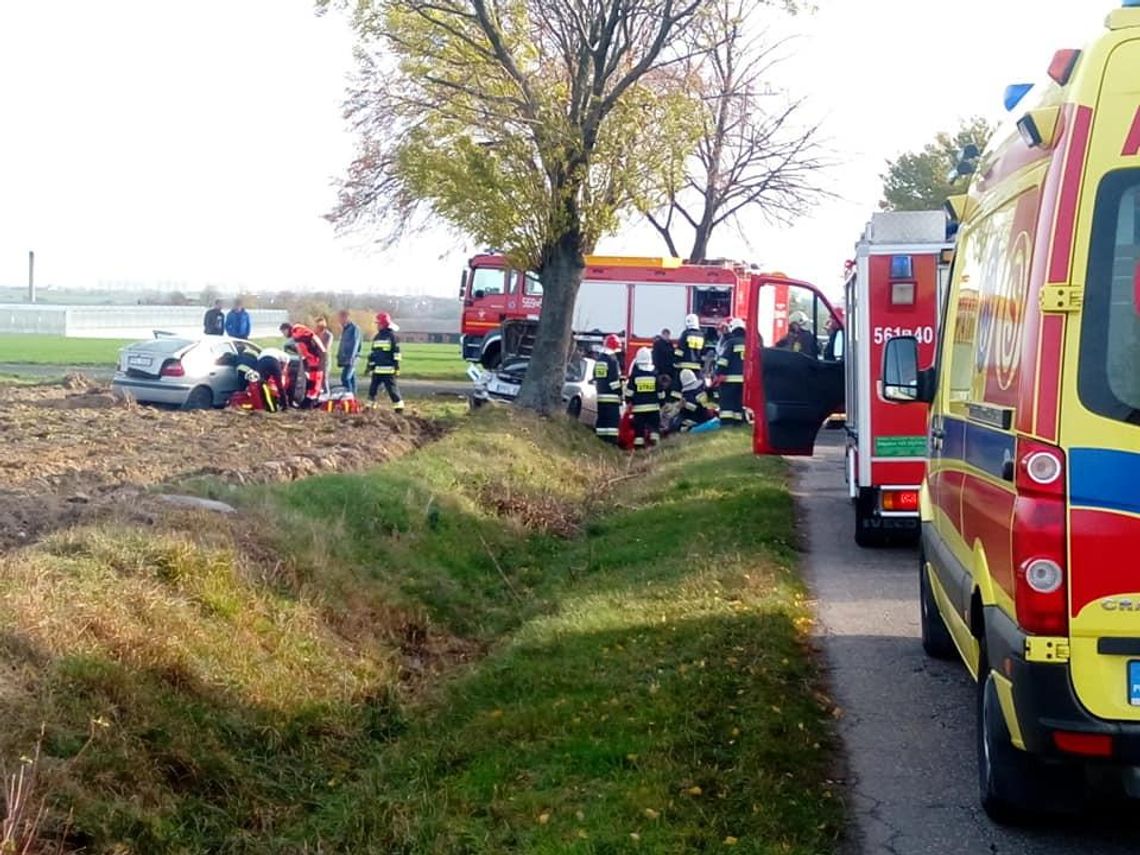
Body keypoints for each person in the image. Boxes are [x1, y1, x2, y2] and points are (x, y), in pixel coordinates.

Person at [280, 322, 327, 408]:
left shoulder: (297, 330)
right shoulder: (297, 335)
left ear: (286, 329)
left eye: (283, 332)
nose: (284, 335)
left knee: (316, 379)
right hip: (312, 358)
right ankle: (312, 399)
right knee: (312, 380)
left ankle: (312, 400)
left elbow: (305, 339)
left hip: (317, 356)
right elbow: (303, 350)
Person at [625, 346, 662, 448]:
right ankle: (655, 446)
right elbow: (660, 391)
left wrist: (628, 401)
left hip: (639, 409)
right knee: (654, 428)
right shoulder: (655, 373)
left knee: (639, 431)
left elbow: (629, 392)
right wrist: (662, 402)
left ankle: (639, 449)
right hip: (654, 408)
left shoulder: (635, 375)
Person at [367, 311, 404, 411]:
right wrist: (370, 366)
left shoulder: (392, 337)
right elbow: (373, 354)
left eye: (378, 323)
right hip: (377, 369)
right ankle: (370, 407)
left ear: (383, 324)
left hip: (389, 370)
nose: (377, 326)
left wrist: (396, 367)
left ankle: (399, 408)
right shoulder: (377, 337)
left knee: (392, 390)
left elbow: (396, 353)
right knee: (372, 390)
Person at [716, 317, 747, 427]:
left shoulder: (731, 342)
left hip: (729, 380)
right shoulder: (749, 343)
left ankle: (727, 423)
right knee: (738, 402)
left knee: (727, 402)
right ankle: (738, 423)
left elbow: (724, 361)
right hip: (744, 380)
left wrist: (718, 372)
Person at [593, 334, 623, 444]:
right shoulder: (612, 360)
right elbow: (614, 381)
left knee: (602, 421)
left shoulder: (600, 359)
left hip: (601, 397)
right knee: (612, 423)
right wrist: (620, 393)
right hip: (612, 398)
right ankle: (611, 444)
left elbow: (596, 377)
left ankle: (601, 443)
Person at [336, 309, 362, 396]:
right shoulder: (345, 329)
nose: (339, 321)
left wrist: (350, 359)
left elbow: (355, 344)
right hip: (346, 358)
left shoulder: (354, 329)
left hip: (351, 358)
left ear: (346, 318)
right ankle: (353, 397)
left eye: (340, 318)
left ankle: (349, 396)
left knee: (345, 378)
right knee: (351, 378)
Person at [652, 328, 678, 400]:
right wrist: (656, 368)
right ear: (662, 335)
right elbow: (655, 357)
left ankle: (667, 399)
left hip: (669, 370)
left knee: (668, 387)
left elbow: (673, 356)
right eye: (665, 335)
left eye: (668, 335)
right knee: (661, 387)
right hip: (661, 370)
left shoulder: (670, 344)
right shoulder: (657, 344)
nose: (667, 337)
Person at [315, 316, 334, 395]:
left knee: (324, 377)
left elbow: (326, 348)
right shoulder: (316, 334)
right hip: (317, 359)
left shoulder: (329, 335)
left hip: (325, 359)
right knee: (318, 377)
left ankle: (327, 393)